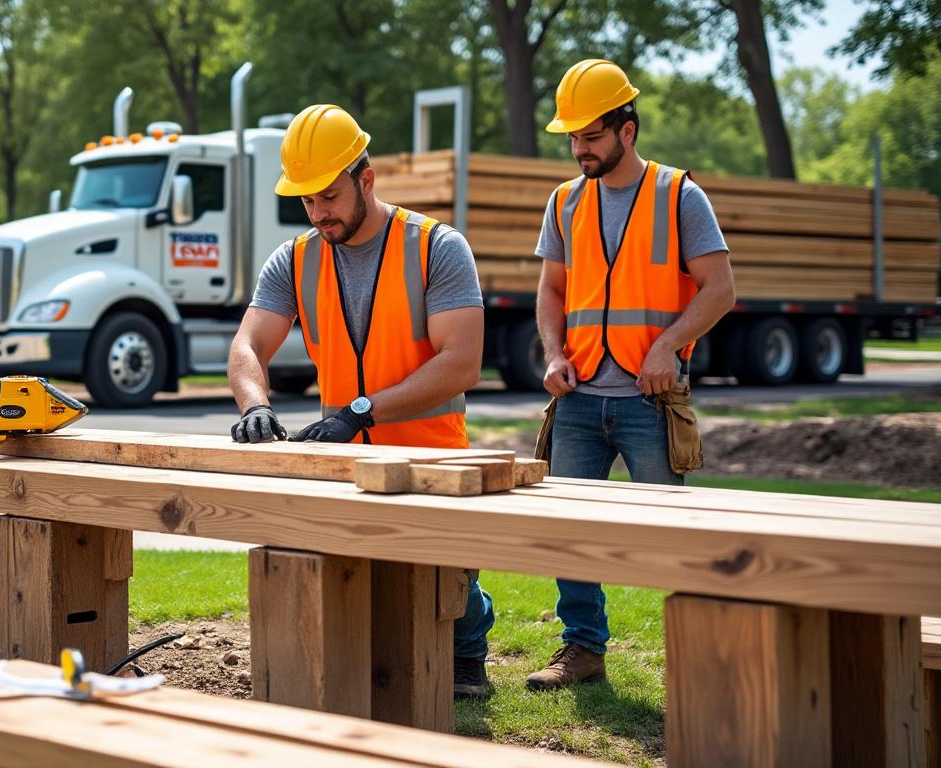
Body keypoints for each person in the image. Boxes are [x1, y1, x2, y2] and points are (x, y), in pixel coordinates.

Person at [227, 104, 496, 697]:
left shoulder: (438, 247)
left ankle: (468, 651)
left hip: (432, 456)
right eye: (307, 201)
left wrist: (361, 410)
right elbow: (248, 343)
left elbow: (462, 362)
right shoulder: (295, 258)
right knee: (367, 590)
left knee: (443, 578)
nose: (318, 212)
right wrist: (254, 405)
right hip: (347, 457)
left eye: (328, 196)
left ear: (365, 180)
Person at [528, 59, 735, 690]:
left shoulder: (679, 195)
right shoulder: (564, 202)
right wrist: (553, 353)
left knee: (670, 537)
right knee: (570, 530)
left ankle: (701, 656)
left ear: (628, 129)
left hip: (651, 399)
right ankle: (582, 648)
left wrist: (670, 344)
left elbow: (719, 289)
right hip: (581, 395)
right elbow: (551, 291)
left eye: (590, 135)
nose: (579, 148)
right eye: (572, 137)